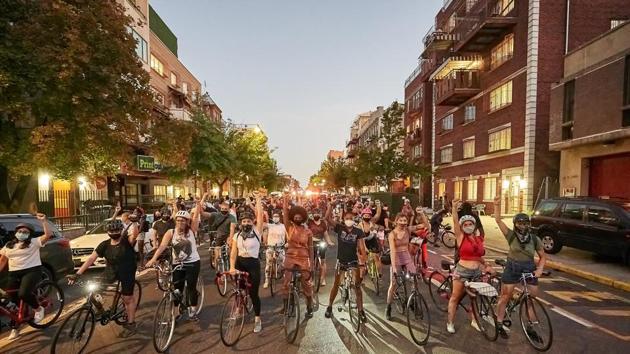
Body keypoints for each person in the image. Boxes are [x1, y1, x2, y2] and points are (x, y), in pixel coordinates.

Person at [71, 218, 139, 337]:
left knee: (127, 298)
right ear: (107, 232)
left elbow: (134, 235)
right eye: (111, 231)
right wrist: (78, 273)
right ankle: (100, 311)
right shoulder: (104, 245)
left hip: (127, 271)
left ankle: (131, 323)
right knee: (93, 291)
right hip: (111, 270)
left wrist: (134, 223)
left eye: (117, 230)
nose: (114, 233)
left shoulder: (126, 241)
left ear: (121, 230)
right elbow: (92, 258)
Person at [492, 196, 547, 340]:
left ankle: (531, 327)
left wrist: (539, 269)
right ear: (515, 224)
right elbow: (498, 220)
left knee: (531, 299)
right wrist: (496, 205)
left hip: (529, 268)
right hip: (512, 267)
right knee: (505, 296)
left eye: (525, 223)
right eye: (520, 223)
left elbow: (543, 257)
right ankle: (499, 322)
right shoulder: (511, 235)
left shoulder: (535, 239)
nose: (523, 226)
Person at [146, 195, 205, 321]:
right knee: (177, 289)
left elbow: (195, 217)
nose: (180, 222)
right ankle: (177, 311)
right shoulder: (170, 233)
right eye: (178, 220)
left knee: (191, 287)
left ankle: (192, 310)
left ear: (187, 222)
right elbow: (162, 246)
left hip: (192, 263)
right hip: (177, 263)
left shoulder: (192, 230)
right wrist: (153, 259)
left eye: (183, 220)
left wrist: (199, 203)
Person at [0, 214, 52, 340]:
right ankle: (16, 327)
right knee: (10, 299)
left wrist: (44, 221)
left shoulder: (33, 243)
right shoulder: (8, 245)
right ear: (16, 233)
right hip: (14, 273)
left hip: (32, 271)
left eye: (25, 232)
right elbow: (2, 261)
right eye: (20, 231)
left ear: (29, 234)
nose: (22, 233)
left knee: (23, 293)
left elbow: (48, 235)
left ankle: (38, 308)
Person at [446, 199, 493, 334]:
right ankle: (450, 322)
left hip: (476, 272)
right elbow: (455, 222)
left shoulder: (479, 239)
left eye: (470, 224)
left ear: (474, 225)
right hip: (462, 271)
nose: (468, 226)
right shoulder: (461, 237)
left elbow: (478, 256)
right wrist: (454, 208)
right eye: (465, 224)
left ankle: (474, 320)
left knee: (475, 298)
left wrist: (487, 264)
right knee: (455, 297)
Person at [324, 199, 368, 322]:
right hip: (341, 261)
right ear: (344, 219)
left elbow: (361, 248)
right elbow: (327, 218)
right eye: (347, 218)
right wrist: (330, 205)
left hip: (353, 261)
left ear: (354, 220)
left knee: (357, 286)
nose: (349, 220)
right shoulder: (340, 228)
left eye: (351, 218)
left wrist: (363, 263)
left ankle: (361, 310)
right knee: (336, 284)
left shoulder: (358, 231)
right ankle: (329, 306)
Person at [228, 192, 265, 333]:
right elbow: (233, 254)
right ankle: (238, 308)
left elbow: (260, 216)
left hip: (253, 264)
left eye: (248, 221)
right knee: (239, 290)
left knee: (254, 294)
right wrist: (232, 267)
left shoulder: (257, 231)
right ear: (240, 223)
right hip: (240, 263)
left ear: (252, 222)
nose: (246, 223)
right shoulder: (237, 236)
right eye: (244, 221)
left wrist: (258, 200)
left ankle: (257, 319)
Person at [281, 193, 315, 318]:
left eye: (300, 215)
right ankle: (286, 307)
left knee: (307, 283)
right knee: (286, 283)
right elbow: (285, 215)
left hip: (304, 258)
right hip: (290, 256)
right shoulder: (289, 227)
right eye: (295, 215)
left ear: (303, 217)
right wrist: (285, 202)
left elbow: (311, 248)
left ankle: (309, 306)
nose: (297, 217)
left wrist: (311, 264)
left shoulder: (308, 231)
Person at [385, 213, 421, 320]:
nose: (403, 223)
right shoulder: (392, 234)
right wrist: (394, 267)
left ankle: (413, 302)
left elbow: (425, 226)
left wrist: (421, 214)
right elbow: (392, 251)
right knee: (393, 284)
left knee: (414, 279)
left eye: (405, 221)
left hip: (406, 257)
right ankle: (388, 307)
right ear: (396, 221)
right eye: (401, 220)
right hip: (396, 258)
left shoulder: (408, 230)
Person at [202, 201, 237, 265]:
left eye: (226, 209)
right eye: (222, 209)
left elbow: (232, 229)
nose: (224, 210)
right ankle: (216, 262)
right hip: (220, 236)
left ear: (229, 209)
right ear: (220, 209)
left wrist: (230, 240)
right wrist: (199, 204)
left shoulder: (232, 217)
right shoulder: (216, 214)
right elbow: (203, 214)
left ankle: (231, 261)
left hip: (229, 235)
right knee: (217, 248)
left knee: (230, 248)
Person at [307, 209, 334, 287]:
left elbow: (325, 234)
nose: (316, 215)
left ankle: (322, 278)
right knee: (311, 261)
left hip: (321, 242)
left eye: (317, 213)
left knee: (323, 261)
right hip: (311, 243)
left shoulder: (323, 223)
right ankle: (310, 279)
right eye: (314, 213)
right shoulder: (310, 222)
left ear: (320, 214)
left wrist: (329, 242)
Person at [263, 209, 287, 289]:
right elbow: (261, 226)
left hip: (280, 248)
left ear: (280, 217)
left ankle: (285, 280)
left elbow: (288, 237)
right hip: (270, 248)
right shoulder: (269, 225)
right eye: (274, 216)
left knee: (283, 265)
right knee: (268, 265)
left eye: (277, 216)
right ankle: (266, 280)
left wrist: (287, 243)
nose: (275, 218)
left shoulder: (284, 226)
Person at [357, 204, 382, 279]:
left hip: (372, 241)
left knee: (376, 256)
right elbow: (361, 239)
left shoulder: (372, 222)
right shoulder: (360, 225)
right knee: (362, 258)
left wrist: (378, 205)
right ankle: (361, 275)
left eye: (368, 216)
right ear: (362, 216)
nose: (367, 217)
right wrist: (365, 249)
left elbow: (378, 214)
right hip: (363, 242)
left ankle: (379, 273)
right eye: (365, 216)